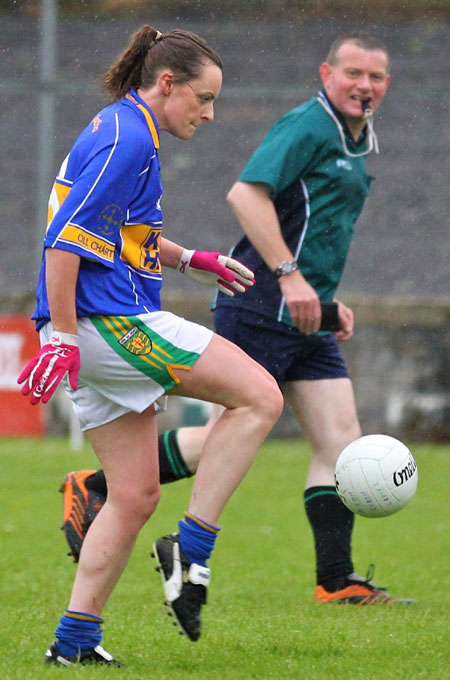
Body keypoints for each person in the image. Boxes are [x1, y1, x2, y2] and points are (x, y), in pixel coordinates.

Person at [61, 31, 413, 605]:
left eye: (375, 77)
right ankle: (135, 511)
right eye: (353, 73)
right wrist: (291, 276)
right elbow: (244, 196)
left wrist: (322, 299)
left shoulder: (357, 140)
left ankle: (335, 580)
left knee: (339, 439)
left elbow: (123, 227)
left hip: (307, 312)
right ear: (327, 74)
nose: (364, 86)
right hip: (256, 303)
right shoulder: (306, 126)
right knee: (248, 413)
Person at [18, 25, 283, 666]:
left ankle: (75, 643)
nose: (210, 113)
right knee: (261, 398)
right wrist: (58, 332)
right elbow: (65, 238)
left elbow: (122, 233)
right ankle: (193, 546)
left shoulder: (121, 127)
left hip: (94, 327)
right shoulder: (129, 136)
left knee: (134, 493)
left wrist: (191, 258)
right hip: (109, 324)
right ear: (167, 84)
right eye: (203, 98)